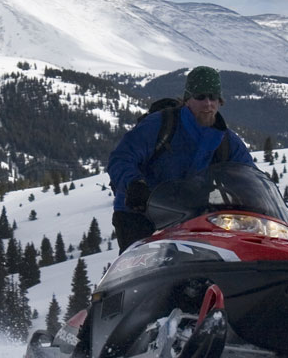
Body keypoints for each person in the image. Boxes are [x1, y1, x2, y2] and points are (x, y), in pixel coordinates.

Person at [107, 66, 254, 252]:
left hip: (190, 214)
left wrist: (260, 202)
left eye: (213, 97)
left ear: (220, 101)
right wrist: (134, 184)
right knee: (143, 264)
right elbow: (121, 158)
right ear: (187, 100)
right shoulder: (160, 124)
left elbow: (248, 175)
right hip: (139, 211)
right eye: (200, 97)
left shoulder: (227, 141)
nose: (208, 103)